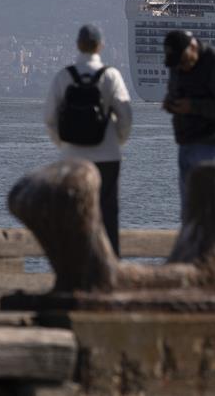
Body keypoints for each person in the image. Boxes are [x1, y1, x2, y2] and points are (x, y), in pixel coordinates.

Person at [44, 24, 132, 256]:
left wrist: (64, 145)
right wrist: (116, 140)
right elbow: (125, 115)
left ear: (78, 45)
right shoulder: (111, 76)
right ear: (100, 46)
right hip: (108, 156)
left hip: (73, 157)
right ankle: (109, 264)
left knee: (74, 210)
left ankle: (74, 263)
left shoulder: (64, 76)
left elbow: (50, 118)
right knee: (107, 212)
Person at [162, 30, 215, 220]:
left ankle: (208, 245)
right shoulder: (178, 62)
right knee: (188, 207)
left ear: (192, 47)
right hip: (185, 141)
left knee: (206, 205)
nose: (181, 67)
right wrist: (170, 102)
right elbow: (177, 90)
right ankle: (192, 244)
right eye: (176, 64)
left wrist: (193, 107)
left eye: (182, 61)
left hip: (210, 143)